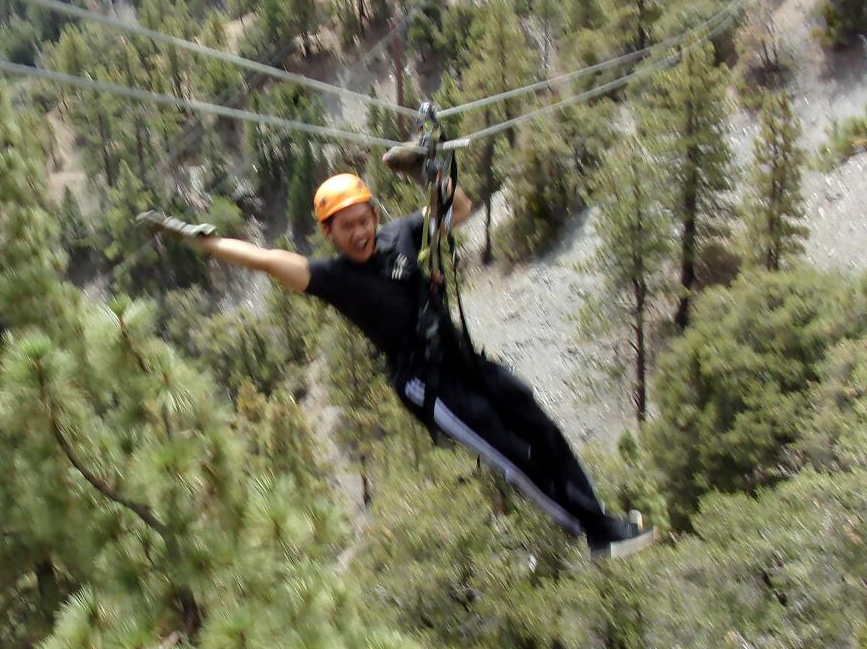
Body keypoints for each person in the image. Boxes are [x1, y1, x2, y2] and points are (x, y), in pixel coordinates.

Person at [138, 148, 656, 560]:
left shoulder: (403, 233)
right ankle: (590, 533)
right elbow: (269, 261)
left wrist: (425, 174)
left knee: (535, 420)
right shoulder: (334, 279)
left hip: (459, 357)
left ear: (373, 214)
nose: (359, 232)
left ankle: (600, 516)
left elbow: (459, 210)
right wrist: (207, 244)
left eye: (362, 220)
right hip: (426, 382)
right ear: (329, 235)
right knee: (509, 451)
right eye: (346, 227)